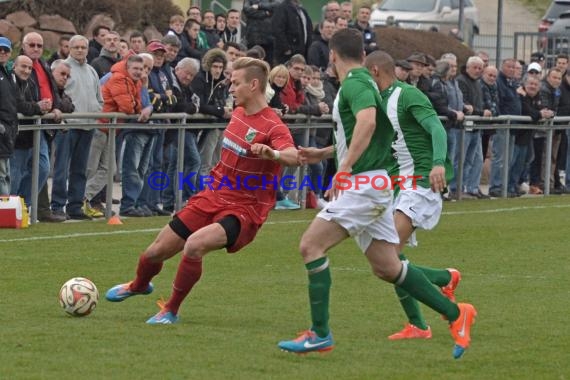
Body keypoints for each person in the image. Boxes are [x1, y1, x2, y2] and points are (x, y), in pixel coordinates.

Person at [277, 29, 476, 359]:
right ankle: (457, 314)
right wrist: (326, 154)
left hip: (367, 185)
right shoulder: (369, 86)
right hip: (382, 183)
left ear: (332, 55)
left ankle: (320, 334)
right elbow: (370, 133)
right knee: (387, 266)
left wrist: (344, 167)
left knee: (311, 245)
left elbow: (367, 125)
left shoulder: (356, 83)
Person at [105, 57, 299, 325]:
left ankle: (170, 309)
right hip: (212, 195)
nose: (230, 88)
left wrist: (273, 153)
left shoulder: (273, 125)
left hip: (244, 208)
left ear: (253, 85)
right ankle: (138, 284)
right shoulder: (239, 114)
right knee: (153, 252)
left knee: (195, 246)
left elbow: (292, 155)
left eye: (235, 83)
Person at [364, 50, 461, 340]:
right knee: (387, 259)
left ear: (376, 71)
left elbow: (436, 128)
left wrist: (437, 163)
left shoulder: (407, 95)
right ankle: (442, 282)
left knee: (388, 255)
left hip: (420, 182)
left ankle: (425, 320)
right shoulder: (377, 102)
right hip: (396, 185)